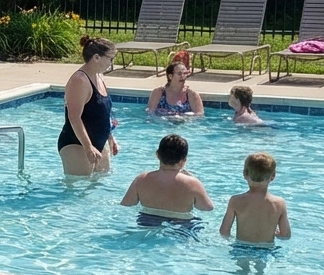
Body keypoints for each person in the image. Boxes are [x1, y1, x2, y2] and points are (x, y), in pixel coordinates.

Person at [120, 135, 214, 232]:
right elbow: (207, 208)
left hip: (147, 222)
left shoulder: (141, 179)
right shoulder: (193, 183)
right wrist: (193, 178)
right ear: (184, 161)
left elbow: (126, 204)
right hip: (181, 225)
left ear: (157, 155)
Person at [58, 36, 119, 176]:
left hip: (98, 141)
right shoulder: (79, 80)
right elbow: (74, 117)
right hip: (76, 143)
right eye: (110, 58)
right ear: (96, 57)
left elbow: (103, 113)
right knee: (78, 190)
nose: (111, 63)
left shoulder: (99, 76)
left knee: (99, 187)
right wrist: (88, 147)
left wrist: (110, 137)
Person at [219, 153, 290, 245]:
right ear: (273, 176)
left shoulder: (236, 201)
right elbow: (285, 235)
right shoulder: (279, 203)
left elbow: (224, 232)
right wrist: (276, 233)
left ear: (245, 174)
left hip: (241, 248)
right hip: (266, 250)